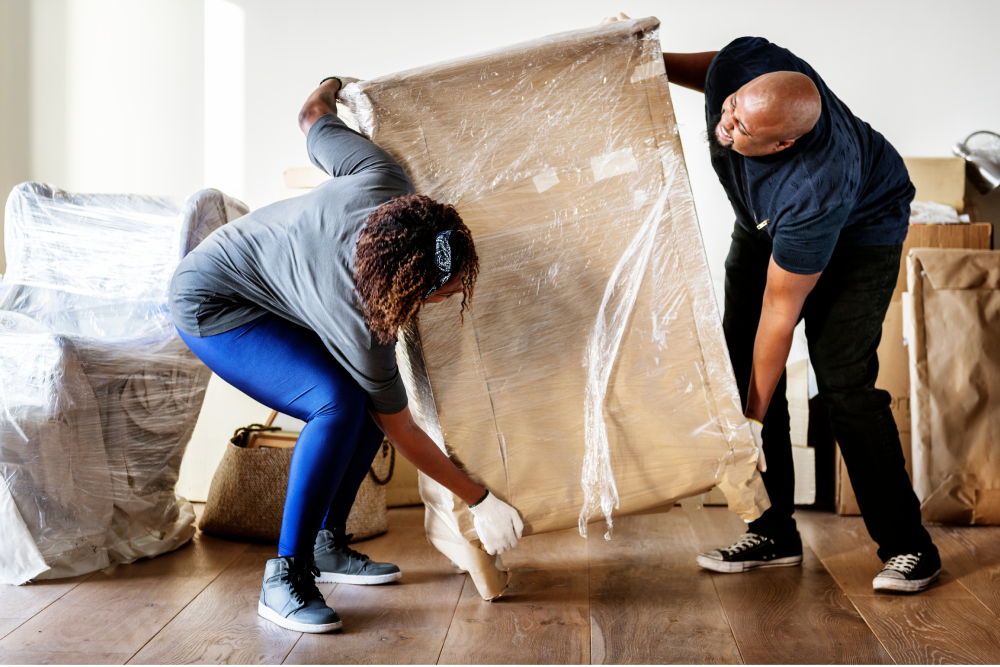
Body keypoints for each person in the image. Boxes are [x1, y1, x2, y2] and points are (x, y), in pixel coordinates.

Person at [169, 76, 523, 634]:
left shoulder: (386, 179)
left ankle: (329, 543)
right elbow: (401, 428)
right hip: (214, 303)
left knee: (357, 404)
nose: (453, 298)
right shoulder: (362, 319)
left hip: (278, 292)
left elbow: (312, 114)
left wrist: (334, 82)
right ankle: (286, 575)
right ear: (409, 292)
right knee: (337, 404)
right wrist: (479, 500)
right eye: (445, 294)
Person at [602, 15, 939, 593]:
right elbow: (711, 74)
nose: (725, 125)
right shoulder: (747, 66)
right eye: (729, 109)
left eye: (742, 130)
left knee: (843, 379)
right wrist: (635, 59)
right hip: (762, 226)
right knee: (739, 364)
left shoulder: (811, 186)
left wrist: (751, 424)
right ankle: (773, 532)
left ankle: (911, 547)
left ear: (782, 143)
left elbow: (778, 321)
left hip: (861, 231)